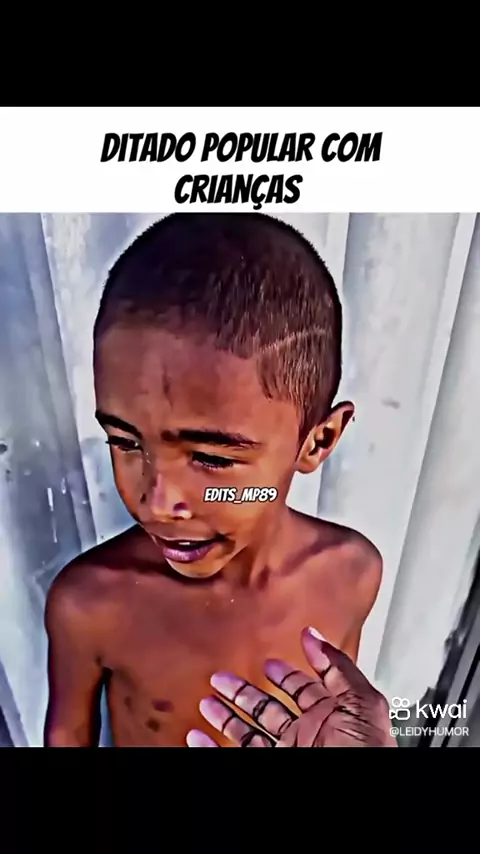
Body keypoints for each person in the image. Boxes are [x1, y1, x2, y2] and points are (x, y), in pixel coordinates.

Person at [44, 213, 386, 748]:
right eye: (126, 443)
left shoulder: (349, 575)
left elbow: (336, 714)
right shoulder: (92, 602)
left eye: (210, 458)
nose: (158, 502)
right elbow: (68, 734)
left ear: (317, 442)